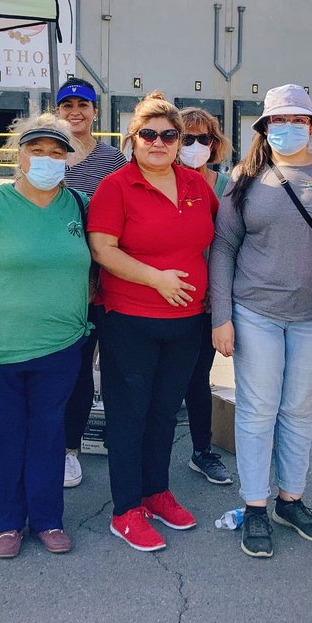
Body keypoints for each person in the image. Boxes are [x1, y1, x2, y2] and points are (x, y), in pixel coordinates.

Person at [210, 84, 312, 559]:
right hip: (255, 310)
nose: (289, 128)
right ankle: (255, 505)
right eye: (279, 121)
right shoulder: (244, 177)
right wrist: (221, 317)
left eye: (299, 121)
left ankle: (290, 500)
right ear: (265, 128)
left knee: (297, 410)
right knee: (258, 411)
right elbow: (223, 247)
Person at [0, 114, 93, 558]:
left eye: (56, 152)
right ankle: (7, 522)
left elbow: (95, 265)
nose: (47, 159)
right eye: (37, 150)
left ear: (68, 158)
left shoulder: (81, 205)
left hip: (62, 345)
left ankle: (48, 519)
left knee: (49, 433)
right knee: (1, 434)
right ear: (19, 156)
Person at [88, 91, 218, 552]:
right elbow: (103, 248)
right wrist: (156, 279)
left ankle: (156, 491)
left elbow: (218, 243)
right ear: (133, 138)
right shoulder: (117, 186)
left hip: (186, 323)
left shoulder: (197, 186)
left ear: (180, 140)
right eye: (149, 134)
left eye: (168, 135)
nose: (158, 142)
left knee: (165, 413)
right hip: (129, 319)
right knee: (130, 415)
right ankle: (125, 510)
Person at [54, 77, 127, 488]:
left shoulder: (112, 160)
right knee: (59, 366)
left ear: (95, 111)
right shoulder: (48, 154)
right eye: (67, 106)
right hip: (57, 283)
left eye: (83, 105)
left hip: (101, 284)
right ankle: (53, 441)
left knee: (89, 366)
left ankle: (70, 448)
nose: (75, 112)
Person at [177, 107, 234, 486]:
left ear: (215, 145)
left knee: (197, 375)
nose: (195, 146)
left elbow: (232, 246)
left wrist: (221, 298)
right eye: (186, 138)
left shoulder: (227, 187)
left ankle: (202, 450)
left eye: (204, 139)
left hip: (205, 300)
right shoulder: (161, 180)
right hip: (160, 298)